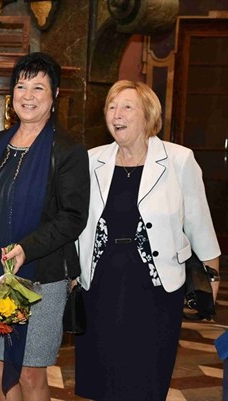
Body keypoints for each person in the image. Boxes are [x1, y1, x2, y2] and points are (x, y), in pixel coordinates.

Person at [75, 80, 221, 401]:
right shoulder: (91, 160)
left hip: (155, 289)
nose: (117, 114)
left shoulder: (179, 160)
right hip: (100, 287)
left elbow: (199, 223)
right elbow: (78, 223)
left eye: (127, 107)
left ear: (148, 114)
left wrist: (211, 277)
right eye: (112, 107)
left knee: (145, 379)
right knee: (103, 378)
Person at [0, 52, 90, 401]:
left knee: (30, 371)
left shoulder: (68, 151)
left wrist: (27, 247)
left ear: (55, 95)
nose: (28, 95)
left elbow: (73, 216)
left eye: (39, 87)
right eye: (21, 86)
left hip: (41, 278)